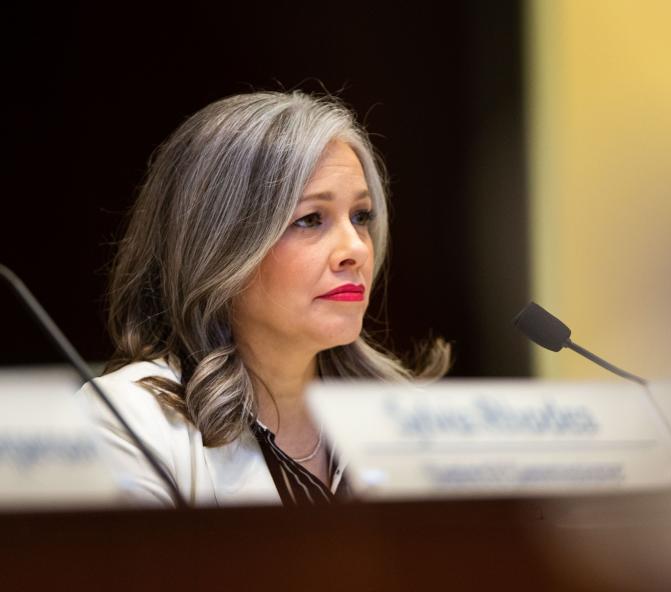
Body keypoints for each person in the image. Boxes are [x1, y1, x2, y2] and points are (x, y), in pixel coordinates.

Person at [82, 91, 449, 507]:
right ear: (220, 246)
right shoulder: (129, 421)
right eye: (310, 219)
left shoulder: (410, 420)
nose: (357, 249)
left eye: (361, 217)